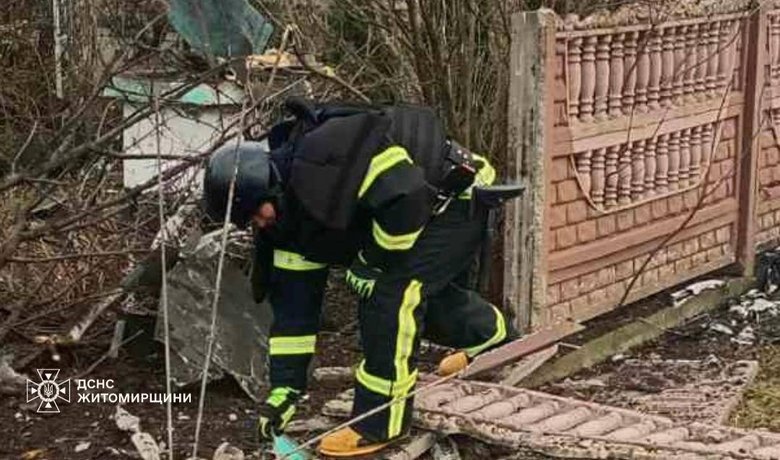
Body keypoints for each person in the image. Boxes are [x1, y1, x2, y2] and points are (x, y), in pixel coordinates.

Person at [202, 97, 519, 457]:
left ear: (268, 187)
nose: (257, 224)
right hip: (415, 208)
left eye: (255, 213)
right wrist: (285, 390)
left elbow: (407, 195)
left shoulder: (323, 163)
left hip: (453, 196)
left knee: (392, 296)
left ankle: (380, 422)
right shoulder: (285, 227)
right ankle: (495, 339)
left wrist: (372, 262)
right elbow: (295, 311)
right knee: (418, 296)